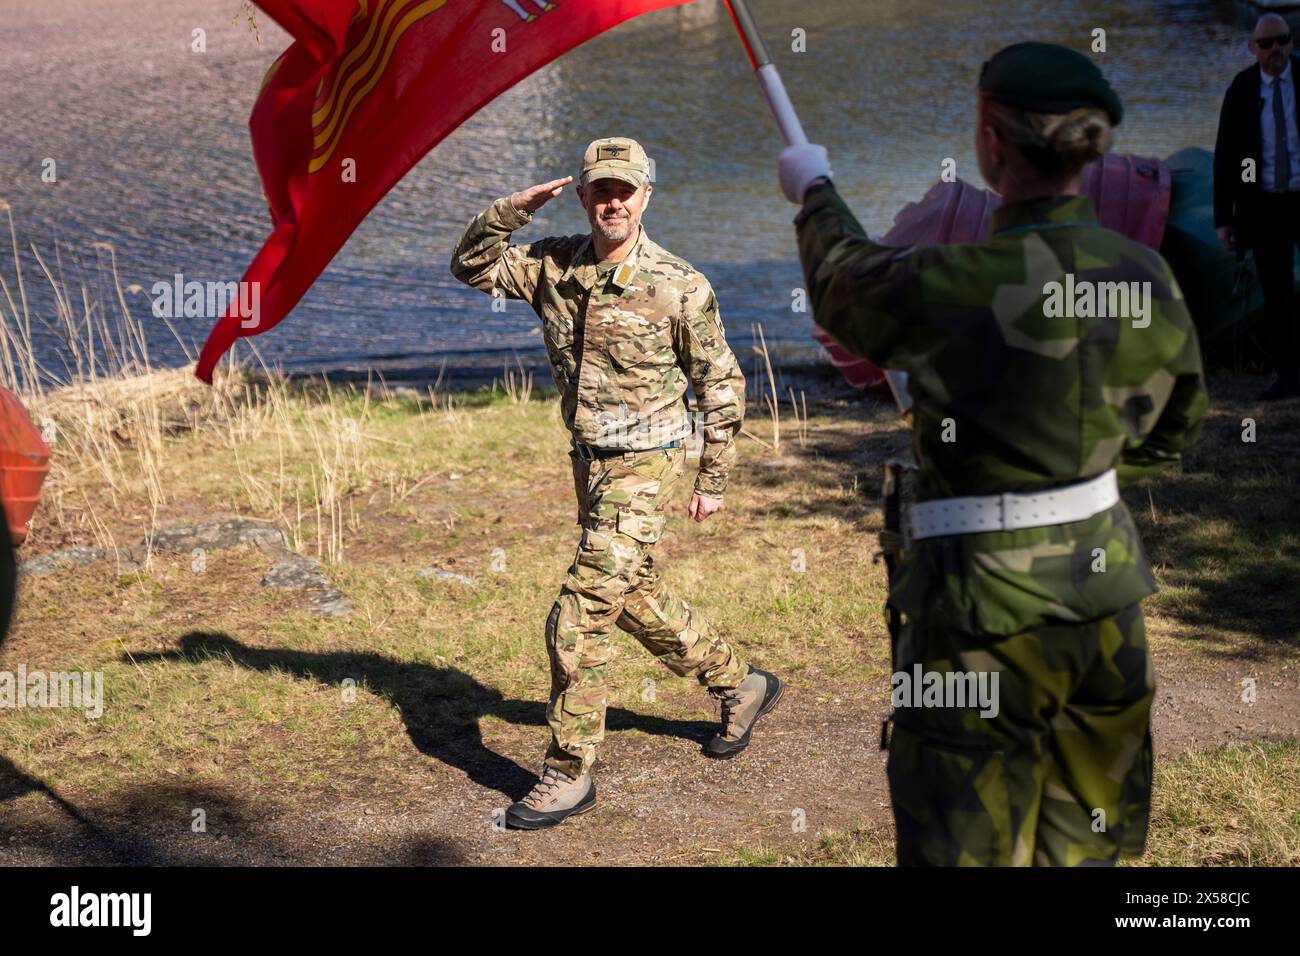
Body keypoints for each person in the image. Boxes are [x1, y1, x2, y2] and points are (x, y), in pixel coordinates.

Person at [778, 42, 1207, 865]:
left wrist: (813, 187)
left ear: (989, 141)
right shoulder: (1146, 274)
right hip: (1106, 607)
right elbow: (1173, 429)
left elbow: (841, 282)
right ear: (1092, 147)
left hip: (978, 617)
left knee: (962, 846)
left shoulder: (955, 280)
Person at [450, 137, 784, 830]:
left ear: (646, 196)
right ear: (582, 195)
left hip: (649, 462)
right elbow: (470, 265)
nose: (614, 202)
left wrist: (712, 475)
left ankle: (568, 773)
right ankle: (738, 682)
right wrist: (510, 210)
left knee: (576, 615)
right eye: (601, 189)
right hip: (590, 460)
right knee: (629, 596)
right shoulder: (552, 265)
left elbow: (721, 382)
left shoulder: (678, 284)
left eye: (626, 189)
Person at [1214, 13, 1300, 400]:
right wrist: (1223, 220)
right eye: (1266, 44)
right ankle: (1287, 377)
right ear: (1253, 49)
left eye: (1281, 40)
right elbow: (1225, 160)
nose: (1275, 49)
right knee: (1277, 295)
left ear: (1291, 41)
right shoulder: (1242, 90)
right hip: (1264, 208)